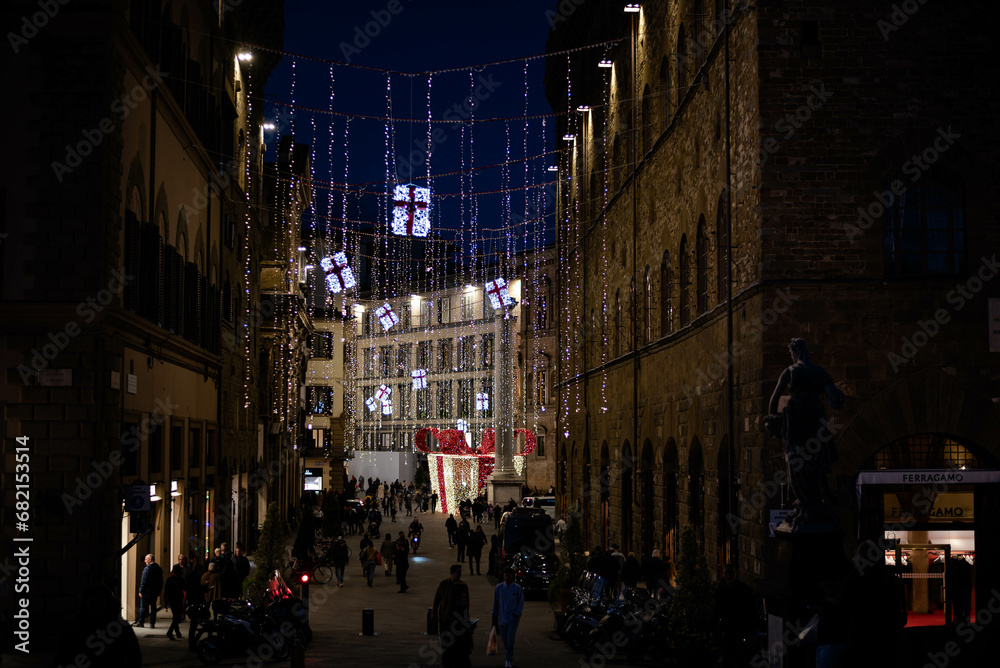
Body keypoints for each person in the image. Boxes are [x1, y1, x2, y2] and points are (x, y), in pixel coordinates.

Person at [766, 338, 845, 531]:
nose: (791, 357)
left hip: (796, 422)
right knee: (815, 462)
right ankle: (813, 504)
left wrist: (772, 418)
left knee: (795, 462)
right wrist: (836, 398)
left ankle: (807, 504)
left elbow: (774, 399)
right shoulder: (820, 373)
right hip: (816, 421)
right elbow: (833, 395)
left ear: (797, 352)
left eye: (791, 353)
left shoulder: (790, 372)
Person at [50, 584, 141, 668]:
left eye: (99, 602)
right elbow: (62, 655)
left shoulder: (120, 628)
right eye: (91, 603)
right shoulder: (75, 627)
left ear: (108, 604)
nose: (95, 607)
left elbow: (134, 656)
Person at [714, 563, 757, 668]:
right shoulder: (721, 588)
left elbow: (749, 609)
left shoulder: (743, 589)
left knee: (737, 655)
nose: (729, 575)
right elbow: (717, 608)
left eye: (731, 572)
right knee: (730, 655)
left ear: (735, 574)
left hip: (738, 627)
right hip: (728, 627)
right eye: (726, 573)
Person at [433, 564, 473, 668]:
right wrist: (435, 612)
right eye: (458, 573)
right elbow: (437, 599)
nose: (459, 575)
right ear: (452, 573)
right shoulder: (444, 585)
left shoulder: (463, 586)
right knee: (445, 640)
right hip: (445, 618)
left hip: (456, 622)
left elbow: (467, 603)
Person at [492, 567, 525, 668]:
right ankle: (509, 653)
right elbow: (496, 603)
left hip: (513, 618)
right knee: (504, 639)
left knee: (510, 638)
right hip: (501, 617)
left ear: (513, 577)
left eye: (509, 576)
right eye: (505, 576)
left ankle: (508, 660)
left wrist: (516, 613)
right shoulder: (499, 588)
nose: (507, 578)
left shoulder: (517, 589)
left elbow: (521, 603)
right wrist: (494, 616)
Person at [136, 553, 163, 628]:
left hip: (146, 592)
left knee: (143, 607)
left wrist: (141, 591)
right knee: (153, 608)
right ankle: (152, 623)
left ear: (150, 560)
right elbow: (161, 582)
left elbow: (144, 581)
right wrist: (159, 591)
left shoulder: (147, 569)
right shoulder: (159, 569)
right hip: (154, 592)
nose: (145, 561)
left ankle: (141, 622)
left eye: (146, 559)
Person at [164, 564, 187, 640]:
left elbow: (166, 591)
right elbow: (185, 588)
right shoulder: (180, 579)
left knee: (175, 616)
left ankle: (177, 632)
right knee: (177, 617)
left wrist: (166, 601)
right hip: (178, 600)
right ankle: (170, 632)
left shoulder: (170, 578)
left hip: (171, 600)